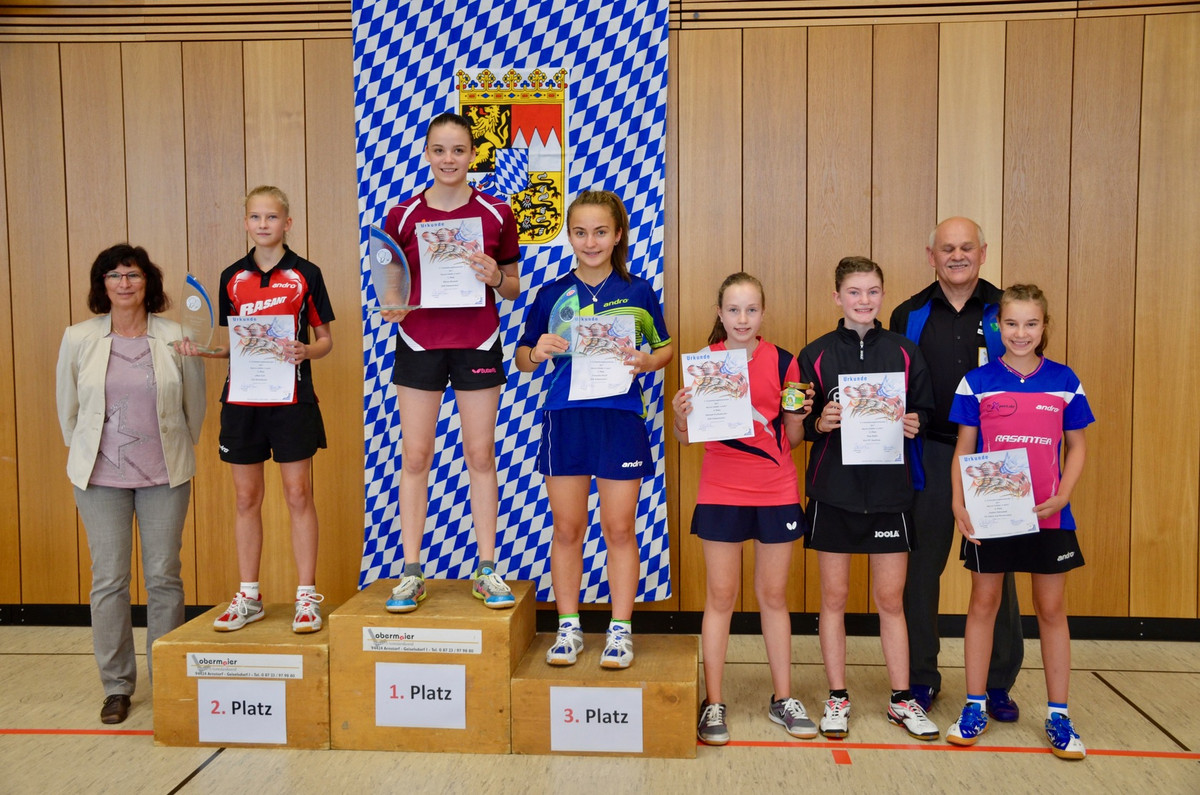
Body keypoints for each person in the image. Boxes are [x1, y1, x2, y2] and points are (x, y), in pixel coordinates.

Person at [516, 190, 673, 669]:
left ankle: (620, 631)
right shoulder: (551, 294)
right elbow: (522, 359)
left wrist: (648, 361)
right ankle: (568, 628)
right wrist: (536, 352)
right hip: (566, 419)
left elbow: (664, 348)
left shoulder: (639, 291)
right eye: (581, 232)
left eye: (600, 232)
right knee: (567, 528)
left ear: (618, 234)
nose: (590, 242)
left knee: (619, 528)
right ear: (569, 236)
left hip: (620, 419)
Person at [56, 244, 207, 724]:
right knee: (109, 580)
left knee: (164, 577)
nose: (124, 284)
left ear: (148, 283)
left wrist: (178, 446)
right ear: (102, 285)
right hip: (99, 479)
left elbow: (195, 406)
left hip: (165, 475)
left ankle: (166, 681)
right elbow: (68, 410)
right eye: (114, 275)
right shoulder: (79, 338)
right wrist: (89, 452)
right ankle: (117, 686)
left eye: (133, 275)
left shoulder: (176, 336)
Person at [379, 112, 522, 613]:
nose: (448, 159)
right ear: (426, 153)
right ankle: (411, 572)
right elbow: (391, 287)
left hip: (477, 340)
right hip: (419, 341)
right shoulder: (401, 216)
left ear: (472, 155)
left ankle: (487, 569)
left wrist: (494, 277)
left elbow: (512, 286)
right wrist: (394, 305)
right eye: (439, 149)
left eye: (458, 150)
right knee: (415, 456)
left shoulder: (497, 212)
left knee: (480, 455)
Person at [945, 284, 1092, 759]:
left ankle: (1059, 715)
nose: (1021, 332)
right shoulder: (977, 381)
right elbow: (964, 448)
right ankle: (974, 706)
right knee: (983, 604)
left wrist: (1064, 495)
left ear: (1044, 326)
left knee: (1050, 609)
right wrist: (959, 502)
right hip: (992, 514)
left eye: (1031, 323)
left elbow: (1078, 446)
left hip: (1050, 516)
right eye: (1011, 323)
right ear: (998, 326)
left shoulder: (1064, 380)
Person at [179, 185, 334, 634]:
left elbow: (325, 340)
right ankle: (249, 596)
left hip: (292, 401)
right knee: (246, 499)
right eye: (255, 217)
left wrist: (307, 350)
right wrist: (206, 352)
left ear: (288, 223)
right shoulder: (232, 276)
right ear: (245, 222)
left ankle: (306, 597)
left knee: (298, 495)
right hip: (242, 401)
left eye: (272, 217)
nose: (263, 224)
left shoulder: (306, 273)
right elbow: (237, 346)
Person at [799, 256, 939, 741]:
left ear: (882, 295)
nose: (864, 300)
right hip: (833, 493)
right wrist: (820, 424)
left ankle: (902, 699)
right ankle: (837, 698)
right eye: (854, 292)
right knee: (834, 598)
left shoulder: (904, 352)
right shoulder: (815, 354)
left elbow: (924, 410)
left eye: (872, 291)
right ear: (837, 297)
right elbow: (799, 422)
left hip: (888, 494)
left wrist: (915, 421)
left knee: (890, 600)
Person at [672, 273, 815, 745]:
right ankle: (713, 703)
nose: (742, 318)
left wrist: (798, 417)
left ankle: (783, 698)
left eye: (751, 309)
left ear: (763, 313)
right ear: (720, 313)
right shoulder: (704, 363)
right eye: (733, 310)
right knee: (721, 596)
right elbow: (686, 438)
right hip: (721, 491)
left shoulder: (787, 363)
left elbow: (793, 439)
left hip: (776, 490)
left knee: (773, 596)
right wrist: (680, 416)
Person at [889, 216, 1022, 721]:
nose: (958, 256)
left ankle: (997, 684)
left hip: (995, 458)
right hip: (930, 452)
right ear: (932, 256)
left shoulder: (1007, 309)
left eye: (967, 247)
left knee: (996, 573)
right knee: (920, 570)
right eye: (948, 248)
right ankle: (920, 677)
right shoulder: (909, 313)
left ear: (983, 253)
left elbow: (1029, 379)